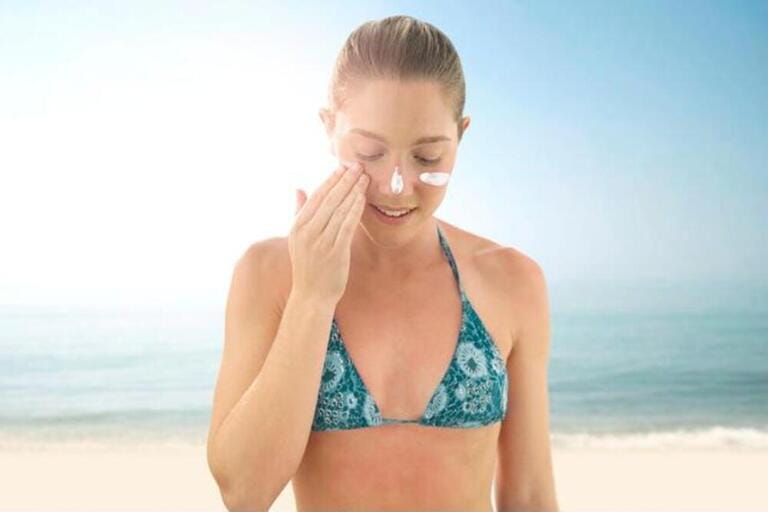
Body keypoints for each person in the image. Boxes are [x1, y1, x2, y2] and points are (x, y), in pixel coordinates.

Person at [207, 14, 559, 512]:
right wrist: (312, 296)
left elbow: (530, 496)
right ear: (329, 128)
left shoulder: (513, 281)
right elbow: (244, 492)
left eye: (428, 158)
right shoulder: (270, 275)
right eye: (370, 152)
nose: (397, 184)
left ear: (461, 136)